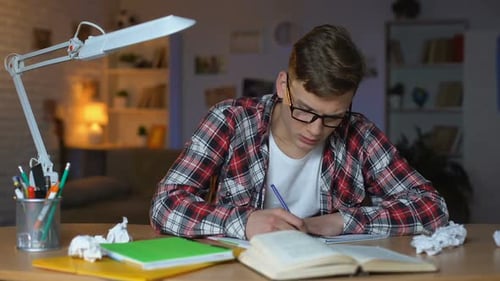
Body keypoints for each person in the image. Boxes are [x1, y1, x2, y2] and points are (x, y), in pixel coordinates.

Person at [150, 24, 449, 240]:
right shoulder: (230, 120)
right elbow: (165, 204)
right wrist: (245, 222)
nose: (315, 129)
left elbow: (432, 208)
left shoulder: (359, 133)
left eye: (333, 116)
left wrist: (339, 222)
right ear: (283, 85)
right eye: (304, 110)